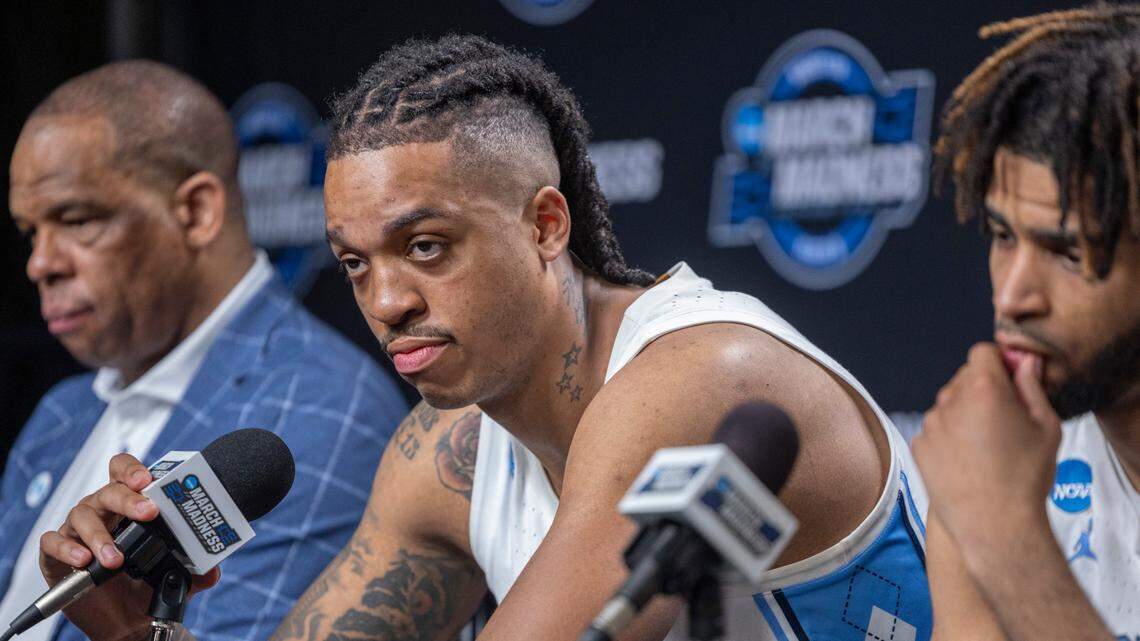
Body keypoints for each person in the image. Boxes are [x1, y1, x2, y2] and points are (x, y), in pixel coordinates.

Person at [42, 36, 931, 641]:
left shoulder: (699, 374)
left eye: (425, 247)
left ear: (547, 224)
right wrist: (145, 627)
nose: (386, 300)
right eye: (354, 264)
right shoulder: (447, 453)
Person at [1, 60, 407, 641]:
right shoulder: (62, 410)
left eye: (76, 218)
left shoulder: (318, 410)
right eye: (31, 233)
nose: (41, 263)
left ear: (195, 211)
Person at [914, 4, 1140, 640]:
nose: (1013, 297)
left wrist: (1006, 536)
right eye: (1002, 235)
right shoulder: (993, 456)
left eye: (1070, 253)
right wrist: (985, 518)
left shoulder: (992, 497)